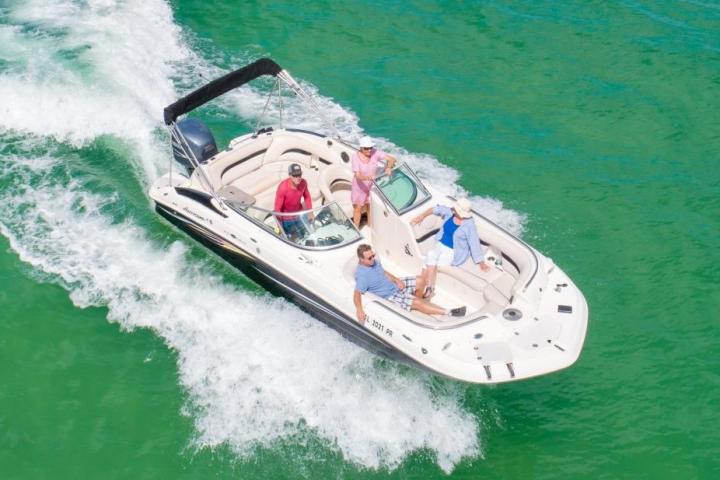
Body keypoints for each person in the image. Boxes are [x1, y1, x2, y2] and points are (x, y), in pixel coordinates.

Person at [353, 244, 466, 324]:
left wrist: (397, 280)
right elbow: (357, 294)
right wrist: (359, 309)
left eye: (373, 255)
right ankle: (449, 312)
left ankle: (418, 305)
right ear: (361, 259)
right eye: (369, 258)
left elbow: (383, 272)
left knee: (421, 280)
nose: (373, 258)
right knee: (416, 302)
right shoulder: (362, 275)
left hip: (394, 285)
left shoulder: (373, 262)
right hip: (390, 295)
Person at [410, 198, 491, 297]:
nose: (453, 209)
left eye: (455, 209)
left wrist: (481, 262)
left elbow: (474, 243)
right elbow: (435, 209)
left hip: (453, 251)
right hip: (439, 244)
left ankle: (419, 287)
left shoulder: (469, 225)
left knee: (429, 262)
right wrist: (421, 216)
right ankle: (429, 287)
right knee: (431, 255)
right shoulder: (451, 212)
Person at [350, 136, 396, 228]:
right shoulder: (355, 157)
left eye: (370, 147)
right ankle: (356, 228)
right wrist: (368, 177)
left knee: (370, 206)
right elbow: (357, 175)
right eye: (366, 148)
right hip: (359, 187)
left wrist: (388, 167)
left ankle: (371, 226)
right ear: (361, 148)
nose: (369, 150)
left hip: (371, 186)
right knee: (357, 208)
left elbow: (392, 159)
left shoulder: (375, 152)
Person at [274, 163, 313, 238]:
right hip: (286, 219)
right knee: (293, 238)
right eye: (295, 175)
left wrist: (310, 212)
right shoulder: (283, 188)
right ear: (290, 175)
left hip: (299, 215)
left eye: (299, 174)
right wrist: (279, 225)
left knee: (306, 235)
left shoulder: (303, 183)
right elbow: (277, 209)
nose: (298, 177)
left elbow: (307, 197)